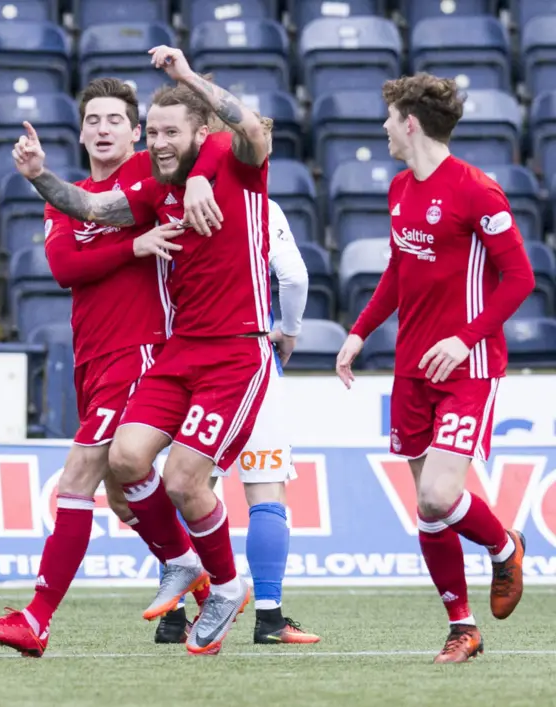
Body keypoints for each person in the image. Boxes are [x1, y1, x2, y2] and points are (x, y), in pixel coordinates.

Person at [10, 46, 274, 656]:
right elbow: (90, 208)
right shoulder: (155, 191)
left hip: (236, 348)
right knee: (126, 466)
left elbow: (251, 129)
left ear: (200, 134)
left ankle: (226, 586)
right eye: (151, 131)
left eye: (166, 131)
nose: (155, 142)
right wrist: (39, 178)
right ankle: (185, 564)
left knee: (182, 479)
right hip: (182, 349)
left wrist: (185, 79)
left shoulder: (237, 165)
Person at [0, 77, 216, 657]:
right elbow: (62, 268)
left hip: (142, 348)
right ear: (80, 133)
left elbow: (204, 159)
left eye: (115, 121)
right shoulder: (71, 197)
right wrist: (131, 246)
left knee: (77, 477)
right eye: (93, 120)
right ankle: (203, 580)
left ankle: (38, 618)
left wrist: (194, 175)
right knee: (123, 494)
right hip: (93, 357)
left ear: (137, 133)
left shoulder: (150, 183)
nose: (103, 129)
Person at [336, 73, 535, 664]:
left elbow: (521, 279)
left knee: (437, 496)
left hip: (469, 367)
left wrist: (464, 337)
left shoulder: (478, 191)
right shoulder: (399, 187)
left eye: (389, 118)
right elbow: (399, 270)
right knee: (427, 507)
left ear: (410, 124)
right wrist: (358, 331)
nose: (384, 128)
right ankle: (462, 628)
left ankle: (504, 548)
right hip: (411, 370)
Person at [144, 192, 320, 645]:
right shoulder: (261, 207)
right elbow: (294, 277)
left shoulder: (170, 203)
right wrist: (291, 331)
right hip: (247, 355)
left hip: (184, 358)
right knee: (265, 486)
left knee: (189, 484)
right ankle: (270, 618)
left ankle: (174, 613)